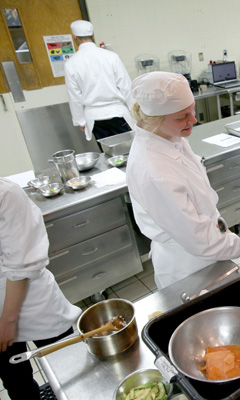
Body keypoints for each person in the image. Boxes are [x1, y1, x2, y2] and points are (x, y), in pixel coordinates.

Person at [126, 72, 240, 289]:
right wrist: (234, 244)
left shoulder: (170, 136)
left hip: (208, 249)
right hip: (188, 265)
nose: (193, 120)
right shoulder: (154, 170)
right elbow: (196, 237)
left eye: (193, 110)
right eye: (182, 117)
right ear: (154, 120)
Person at [0, 178, 81, 400]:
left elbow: (21, 264)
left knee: (69, 369)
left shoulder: (6, 193)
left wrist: (7, 321)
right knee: (17, 382)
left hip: (33, 301)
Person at [64, 20, 134, 147]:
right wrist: (134, 111)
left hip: (95, 118)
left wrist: (81, 121)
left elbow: (74, 96)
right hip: (118, 114)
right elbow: (126, 86)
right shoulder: (111, 56)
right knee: (130, 150)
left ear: (75, 38)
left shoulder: (71, 63)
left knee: (110, 154)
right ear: (93, 35)